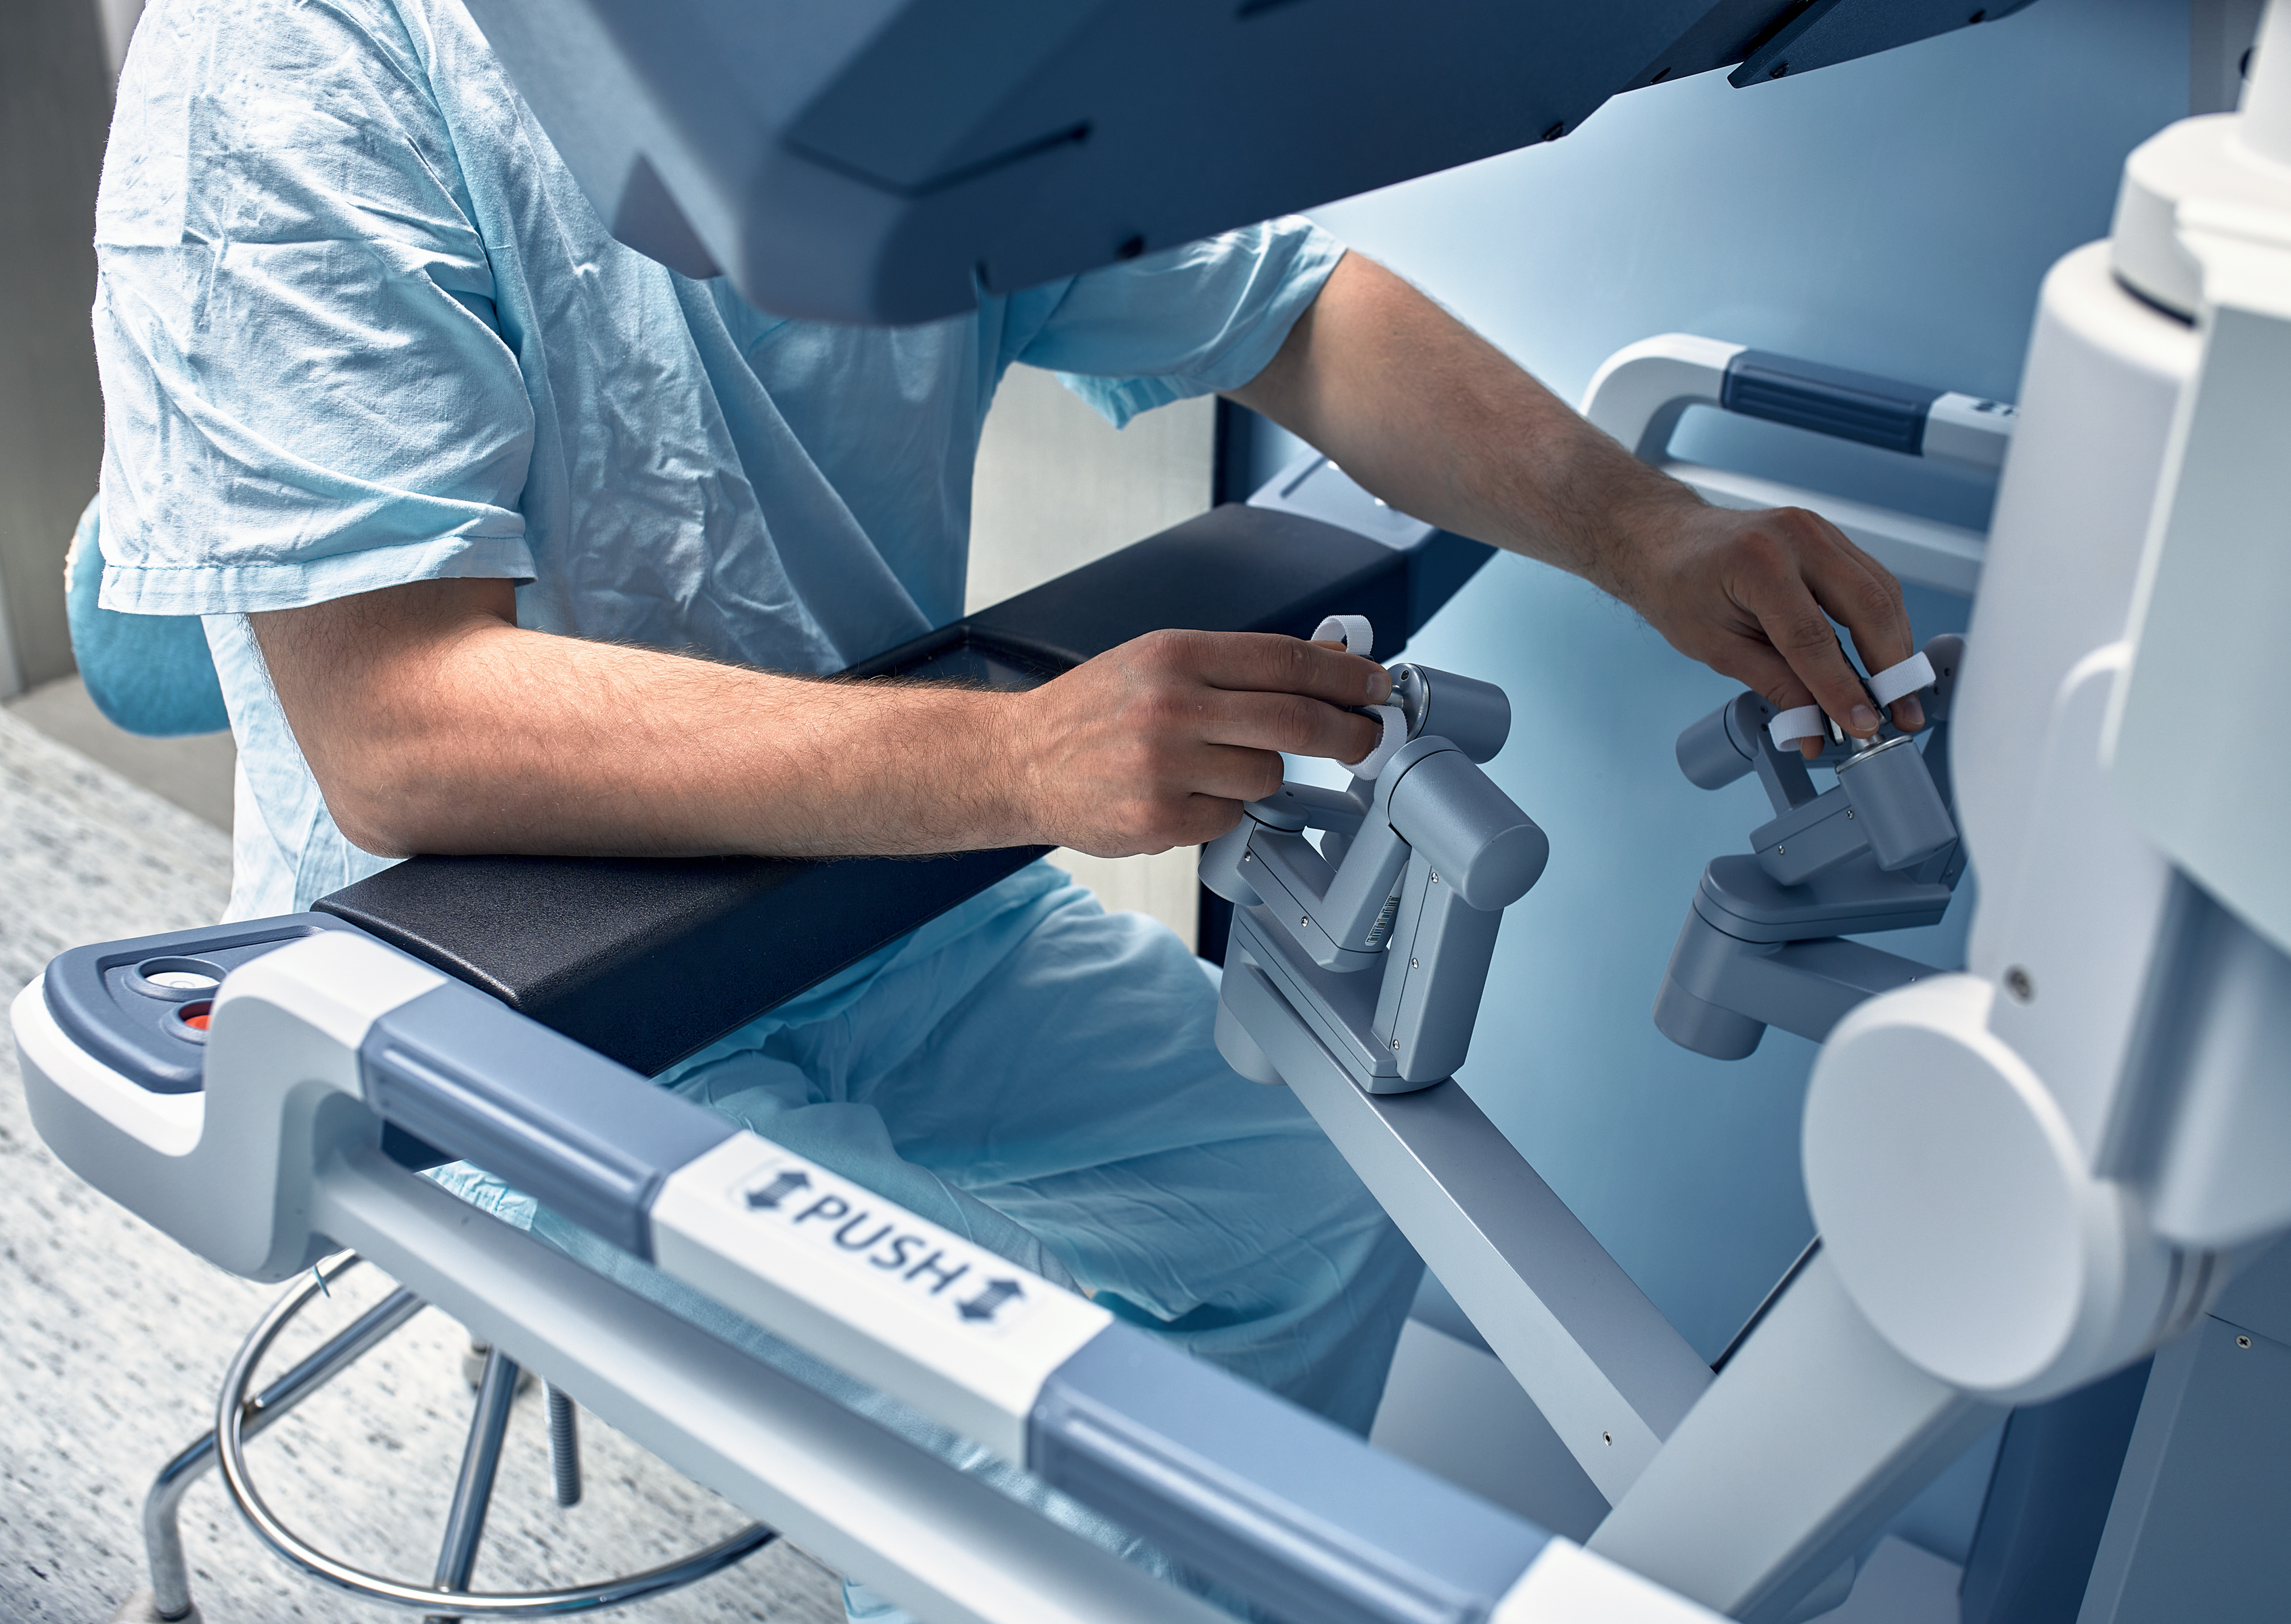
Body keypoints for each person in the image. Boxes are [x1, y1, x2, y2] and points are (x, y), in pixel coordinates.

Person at [93, 0, 1920, 1506]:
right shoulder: (291, 57)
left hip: (865, 911)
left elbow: (1288, 306)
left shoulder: (879, 55)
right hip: (487, 976)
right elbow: (400, 727)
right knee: (1001, 1414)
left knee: (1306, 1213)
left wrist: (1636, 528)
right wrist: (1019, 756)